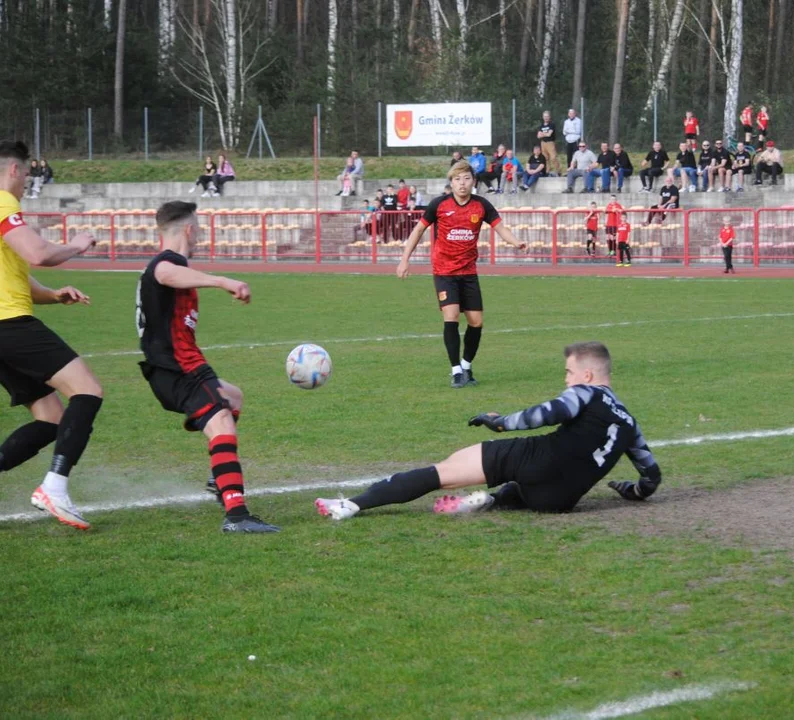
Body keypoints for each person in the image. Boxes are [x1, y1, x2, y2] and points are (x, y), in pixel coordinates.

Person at [315, 342, 662, 518]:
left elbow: (550, 412)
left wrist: (502, 422)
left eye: (569, 373)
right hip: (557, 501)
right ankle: (491, 500)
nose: (566, 379)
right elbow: (651, 476)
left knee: (444, 471)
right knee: (523, 488)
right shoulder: (630, 423)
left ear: (587, 375)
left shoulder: (585, 392)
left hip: (537, 460)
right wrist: (629, 490)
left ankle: (351, 506)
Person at [136, 201, 278, 533]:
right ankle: (237, 515)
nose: (199, 234)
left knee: (233, 397)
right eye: (197, 228)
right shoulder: (166, 263)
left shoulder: (172, 265)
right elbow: (165, 273)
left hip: (182, 366)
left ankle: (219, 478)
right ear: (188, 229)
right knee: (222, 421)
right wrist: (222, 281)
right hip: (178, 368)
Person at [0, 140, 102, 530]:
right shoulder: (4, 204)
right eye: (26, 172)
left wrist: (53, 295)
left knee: (52, 417)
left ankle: (53, 486)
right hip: (9, 325)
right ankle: (54, 488)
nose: (28, 180)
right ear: (13, 170)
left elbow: (15, 277)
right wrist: (76, 245)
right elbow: (38, 254)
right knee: (87, 390)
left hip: (5, 324)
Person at [396, 161, 526, 389]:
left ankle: (466, 365)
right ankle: (455, 370)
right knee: (452, 316)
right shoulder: (439, 205)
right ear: (451, 182)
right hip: (444, 271)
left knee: (476, 322)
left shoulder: (481, 205)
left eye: (466, 178)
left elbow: (500, 227)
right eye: (457, 179)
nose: (462, 183)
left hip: (469, 272)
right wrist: (404, 259)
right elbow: (418, 230)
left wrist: (515, 242)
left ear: (473, 181)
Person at [537, 110, 559, 176]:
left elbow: (549, 134)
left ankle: (558, 171)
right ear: (543, 117)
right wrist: (544, 134)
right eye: (544, 116)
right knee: (545, 158)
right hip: (543, 143)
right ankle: (547, 171)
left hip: (550, 143)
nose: (546, 118)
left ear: (549, 117)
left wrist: (542, 133)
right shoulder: (541, 126)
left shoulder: (552, 124)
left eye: (547, 116)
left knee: (553, 157)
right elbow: (538, 136)